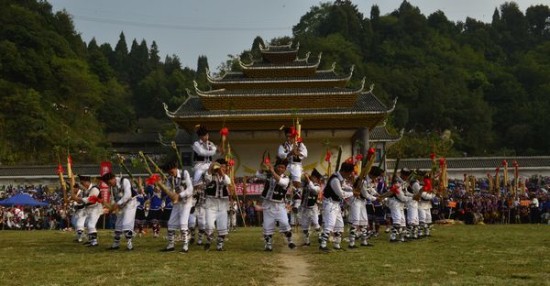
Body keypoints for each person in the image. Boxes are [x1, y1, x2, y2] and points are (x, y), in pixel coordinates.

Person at [257, 158, 296, 251]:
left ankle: (290, 241)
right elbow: (257, 174)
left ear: (285, 169)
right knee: (267, 226)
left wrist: (272, 171)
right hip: (268, 205)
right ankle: (268, 245)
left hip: (279, 206)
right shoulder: (268, 175)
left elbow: (281, 182)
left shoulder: (286, 178)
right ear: (276, 167)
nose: (281, 169)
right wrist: (263, 167)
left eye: (283, 167)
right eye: (279, 167)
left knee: (285, 223)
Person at [319, 162, 355, 251]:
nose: (350, 175)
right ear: (345, 171)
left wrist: (352, 189)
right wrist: (353, 193)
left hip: (336, 204)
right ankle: (323, 245)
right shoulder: (335, 179)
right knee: (330, 224)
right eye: (349, 173)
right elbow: (341, 193)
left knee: (339, 225)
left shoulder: (339, 178)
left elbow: (344, 186)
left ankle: (337, 244)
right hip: (330, 203)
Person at [191, 124, 216, 245]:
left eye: (207, 135)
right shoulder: (196, 144)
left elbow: (214, 151)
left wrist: (210, 149)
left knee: (216, 174)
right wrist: (209, 150)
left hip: (209, 165)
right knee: (197, 175)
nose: (206, 137)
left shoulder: (210, 143)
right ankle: (196, 189)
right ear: (200, 136)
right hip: (200, 165)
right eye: (204, 135)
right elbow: (202, 153)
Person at [100, 172, 138, 251]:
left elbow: (128, 195)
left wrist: (117, 204)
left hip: (130, 204)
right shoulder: (112, 187)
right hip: (120, 205)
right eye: (107, 183)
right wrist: (111, 207)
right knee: (118, 224)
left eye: (109, 182)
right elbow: (113, 198)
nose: (109, 185)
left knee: (126, 224)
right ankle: (116, 244)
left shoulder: (124, 181)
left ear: (113, 178)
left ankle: (129, 245)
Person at [277, 126, 308, 226]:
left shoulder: (299, 144)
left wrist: (297, 153)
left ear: (294, 136)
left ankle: (297, 201)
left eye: (290, 136)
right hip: (286, 165)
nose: (288, 138)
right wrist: (290, 153)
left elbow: (305, 154)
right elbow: (281, 154)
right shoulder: (283, 145)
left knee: (296, 181)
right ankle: (283, 198)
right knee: (282, 182)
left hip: (296, 165)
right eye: (287, 136)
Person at [162, 161, 194, 253]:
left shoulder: (184, 174)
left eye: (171, 171)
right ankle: (171, 245)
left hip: (186, 202)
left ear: (176, 168)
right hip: (177, 204)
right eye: (168, 172)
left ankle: (185, 246)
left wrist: (180, 195)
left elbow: (190, 189)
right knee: (171, 224)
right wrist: (164, 189)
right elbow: (169, 191)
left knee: (183, 224)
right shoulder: (169, 179)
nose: (170, 173)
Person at [348, 166, 384, 248]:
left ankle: (364, 242)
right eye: (376, 176)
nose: (376, 178)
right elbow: (365, 194)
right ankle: (351, 243)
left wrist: (377, 194)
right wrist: (376, 198)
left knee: (364, 222)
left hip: (362, 202)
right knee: (355, 222)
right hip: (356, 201)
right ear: (373, 175)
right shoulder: (362, 180)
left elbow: (370, 189)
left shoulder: (368, 180)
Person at [203, 158, 232, 251]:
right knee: (209, 225)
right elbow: (207, 179)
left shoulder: (225, 176)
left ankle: (219, 245)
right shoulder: (211, 175)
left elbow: (228, 182)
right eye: (221, 166)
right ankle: (208, 240)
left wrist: (222, 172)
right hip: (211, 204)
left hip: (223, 204)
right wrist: (212, 165)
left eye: (224, 167)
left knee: (223, 227)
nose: (222, 168)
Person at [299, 168, 323, 246]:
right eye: (312, 176)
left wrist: (308, 179)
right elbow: (299, 183)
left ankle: (320, 237)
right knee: (305, 226)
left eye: (314, 177)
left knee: (316, 224)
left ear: (316, 178)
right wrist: (302, 173)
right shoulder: (305, 183)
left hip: (313, 208)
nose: (312, 178)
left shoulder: (318, 186)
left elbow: (313, 189)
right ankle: (307, 242)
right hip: (304, 208)